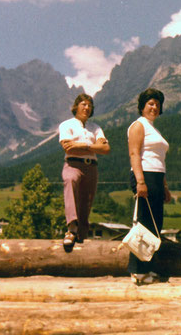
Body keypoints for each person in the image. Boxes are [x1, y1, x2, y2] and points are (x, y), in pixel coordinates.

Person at [127, 88, 172, 284]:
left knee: (155, 226)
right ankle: (137, 271)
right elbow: (135, 154)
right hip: (143, 175)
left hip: (156, 178)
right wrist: (140, 182)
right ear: (143, 106)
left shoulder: (154, 129)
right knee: (143, 224)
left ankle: (147, 268)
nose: (154, 107)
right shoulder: (139, 125)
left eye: (157, 104)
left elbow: (160, 160)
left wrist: (164, 187)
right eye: (150, 103)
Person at [59, 93, 110, 251]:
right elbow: (67, 147)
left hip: (91, 166)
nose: (87, 108)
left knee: (87, 200)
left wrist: (83, 146)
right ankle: (71, 229)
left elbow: (106, 148)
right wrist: (93, 146)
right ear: (76, 107)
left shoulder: (95, 127)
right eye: (83, 104)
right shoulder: (66, 125)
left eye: (89, 105)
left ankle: (81, 234)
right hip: (73, 165)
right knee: (70, 183)